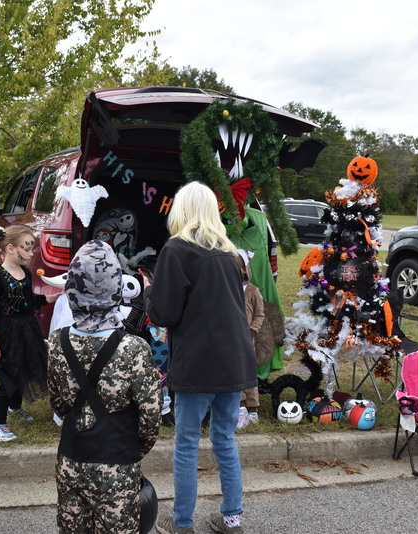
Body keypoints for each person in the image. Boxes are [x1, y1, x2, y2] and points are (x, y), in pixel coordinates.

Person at [145, 181, 257, 534]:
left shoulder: (176, 250)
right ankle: (232, 519)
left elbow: (164, 313)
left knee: (186, 444)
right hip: (235, 357)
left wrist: (148, 293)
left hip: (198, 360)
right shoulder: (228, 253)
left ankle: (182, 523)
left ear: (181, 210)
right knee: (224, 439)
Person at [47, 240, 161, 533]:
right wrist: (130, 451)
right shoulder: (133, 348)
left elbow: (58, 403)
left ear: (72, 288)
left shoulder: (57, 342)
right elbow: (151, 418)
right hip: (116, 464)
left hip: (70, 460)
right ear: (116, 288)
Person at [0, 225, 59, 442]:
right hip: (5, 334)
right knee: (9, 376)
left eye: (31, 248)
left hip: (27, 330)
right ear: (10, 248)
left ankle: (15, 407)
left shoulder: (25, 273)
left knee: (23, 370)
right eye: (26, 248)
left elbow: (28, 301)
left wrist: (51, 298)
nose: (31, 253)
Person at [234, 249, 264, 430]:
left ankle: (252, 408)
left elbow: (259, 314)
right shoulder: (228, 290)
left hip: (247, 339)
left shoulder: (253, 291)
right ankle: (240, 406)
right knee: (235, 372)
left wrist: (253, 330)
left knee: (249, 373)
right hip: (231, 338)